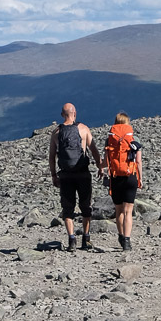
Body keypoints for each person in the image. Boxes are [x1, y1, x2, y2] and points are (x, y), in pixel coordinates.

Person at [48, 102, 94, 251]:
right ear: (75, 113)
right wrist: (101, 167)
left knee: (68, 208)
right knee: (85, 206)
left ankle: (72, 239)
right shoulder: (84, 129)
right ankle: (86, 238)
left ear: (62, 115)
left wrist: (54, 175)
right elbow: (93, 149)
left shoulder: (56, 133)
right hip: (83, 174)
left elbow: (51, 156)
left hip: (66, 175)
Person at [103, 111, 143, 251]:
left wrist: (102, 169)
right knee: (128, 211)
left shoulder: (110, 139)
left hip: (115, 177)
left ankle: (121, 235)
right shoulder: (133, 138)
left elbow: (106, 161)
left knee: (119, 209)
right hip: (130, 176)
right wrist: (140, 179)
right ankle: (127, 240)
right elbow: (138, 161)